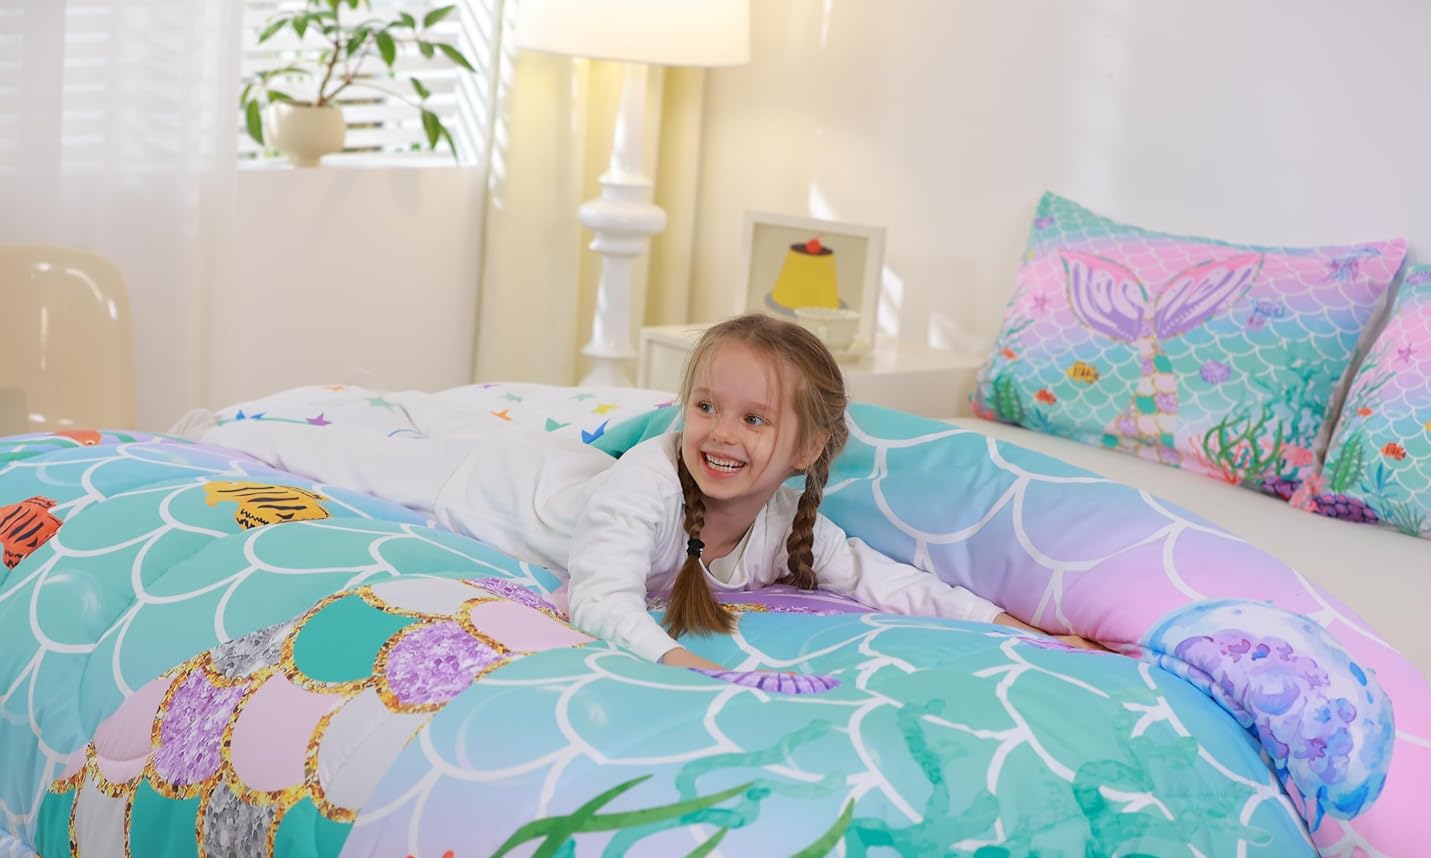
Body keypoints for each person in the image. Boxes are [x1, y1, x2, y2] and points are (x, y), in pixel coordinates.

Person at [199, 314, 1081, 668]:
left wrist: (1013, 627)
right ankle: (215, 427)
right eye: (706, 407)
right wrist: (673, 660)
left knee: (430, 427)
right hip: (493, 489)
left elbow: (891, 581)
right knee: (351, 454)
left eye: (754, 420)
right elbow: (599, 599)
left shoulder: (787, 524)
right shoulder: (648, 492)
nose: (722, 434)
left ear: (809, 449)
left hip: (560, 472)